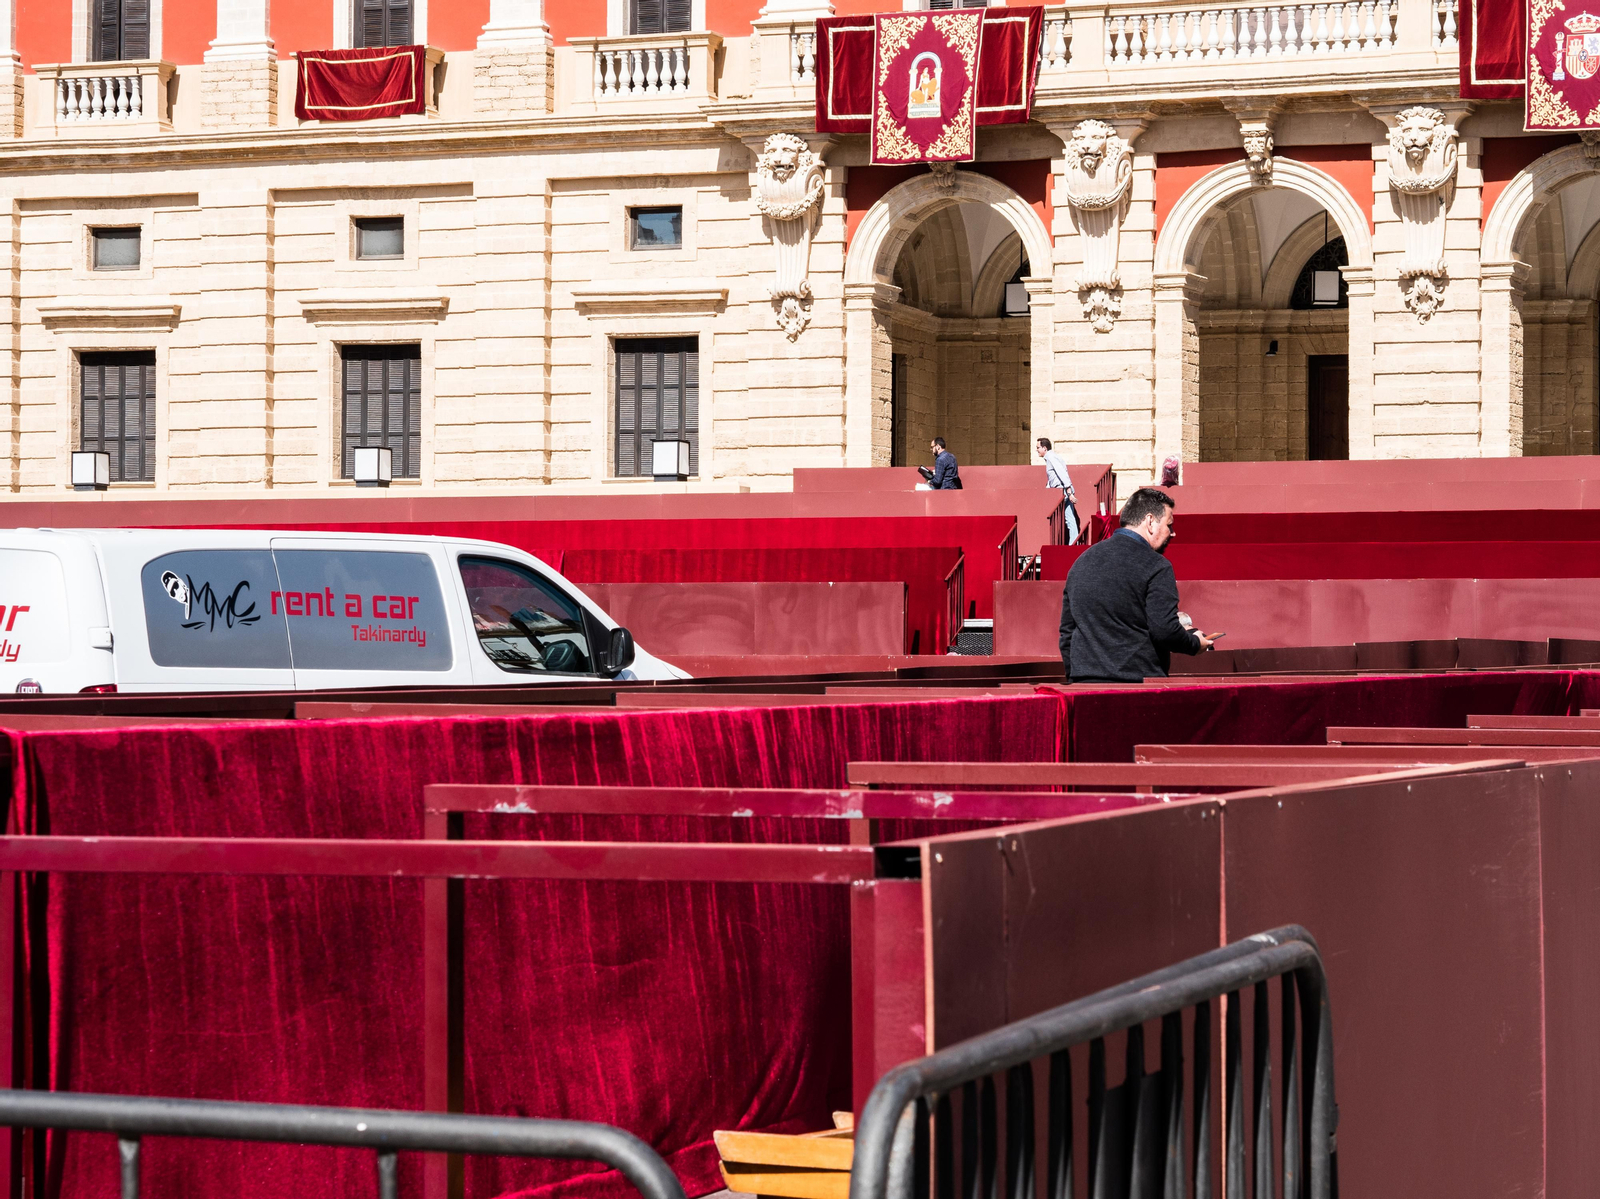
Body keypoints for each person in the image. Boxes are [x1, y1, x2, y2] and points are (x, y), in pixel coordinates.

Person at [1059, 487, 1216, 683]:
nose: (1173, 533)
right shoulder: (1156, 565)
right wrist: (1195, 643)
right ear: (1150, 521)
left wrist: (1075, 679)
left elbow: (1067, 633)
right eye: (1169, 525)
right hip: (1137, 687)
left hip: (1083, 685)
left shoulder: (1081, 562)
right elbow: (1164, 630)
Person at [1035, 437, 1080, 544]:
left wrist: (1068, 491)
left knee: (1054, 518)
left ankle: (1056, 543)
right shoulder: (1054, 457)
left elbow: (1061, 473)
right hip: (1064, 491)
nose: (1036, 450)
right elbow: (1054, 478)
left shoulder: (1051, 458)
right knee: (1070, 519)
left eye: (1038, 447)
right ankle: (1074, 544)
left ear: (1044, 448)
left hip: (1062, 491)